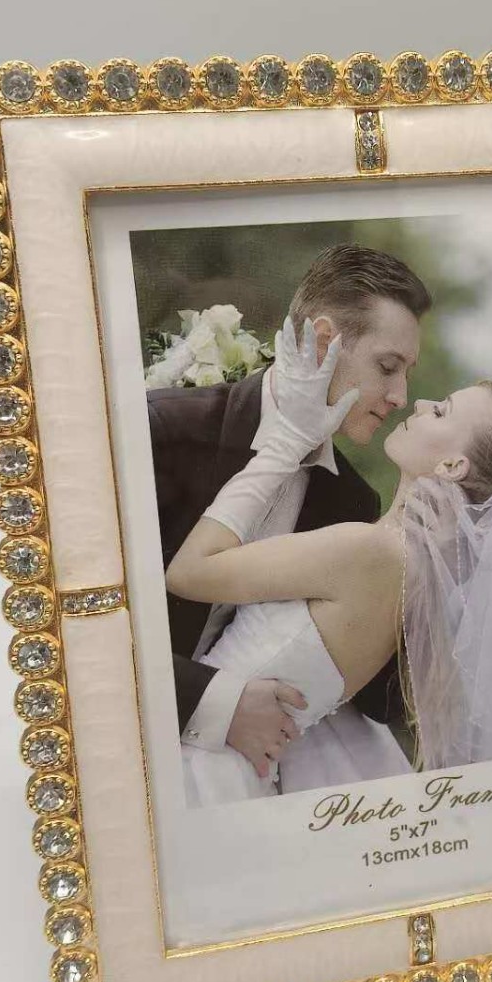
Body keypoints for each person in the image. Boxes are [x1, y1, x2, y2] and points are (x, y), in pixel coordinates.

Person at [165, 315, 492, 804]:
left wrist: (284, 445)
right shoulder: (414, 573)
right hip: (237, 770)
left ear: (452, 466)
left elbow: (188, 572)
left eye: (441, 412)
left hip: (202, 767)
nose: (419, 403)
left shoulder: (368, 552)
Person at [147, 244, 429, 802]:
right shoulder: (165, 431)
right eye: (387, 367)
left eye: (406, 373)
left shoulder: (353, 500)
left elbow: (378, 699)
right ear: (324, 342)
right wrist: (214, 703)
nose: (401, 396)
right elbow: (88, 630)